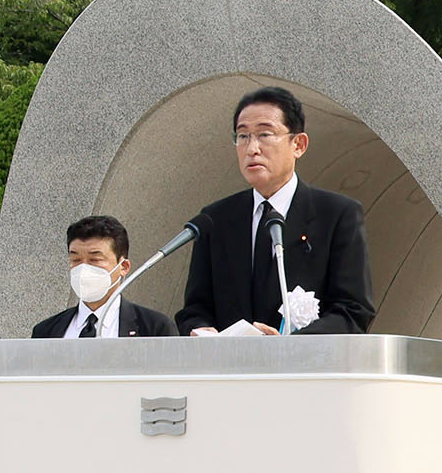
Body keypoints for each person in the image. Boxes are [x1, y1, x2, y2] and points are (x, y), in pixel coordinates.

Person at [174, 86, 373, 336]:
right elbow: (195, 308)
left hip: (303, 370)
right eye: (243, 136)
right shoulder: (215, 219)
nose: (251, 148)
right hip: (230, 369)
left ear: (298, 144)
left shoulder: (337, 215)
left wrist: (289, 346)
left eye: (264, 134)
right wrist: (199, 329)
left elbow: (353, 311)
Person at [34, 215, 179, 338]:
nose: (84, 268)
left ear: (123, 267)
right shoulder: (45, 331)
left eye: (95, 260)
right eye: (76, 260)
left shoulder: (154, 328)